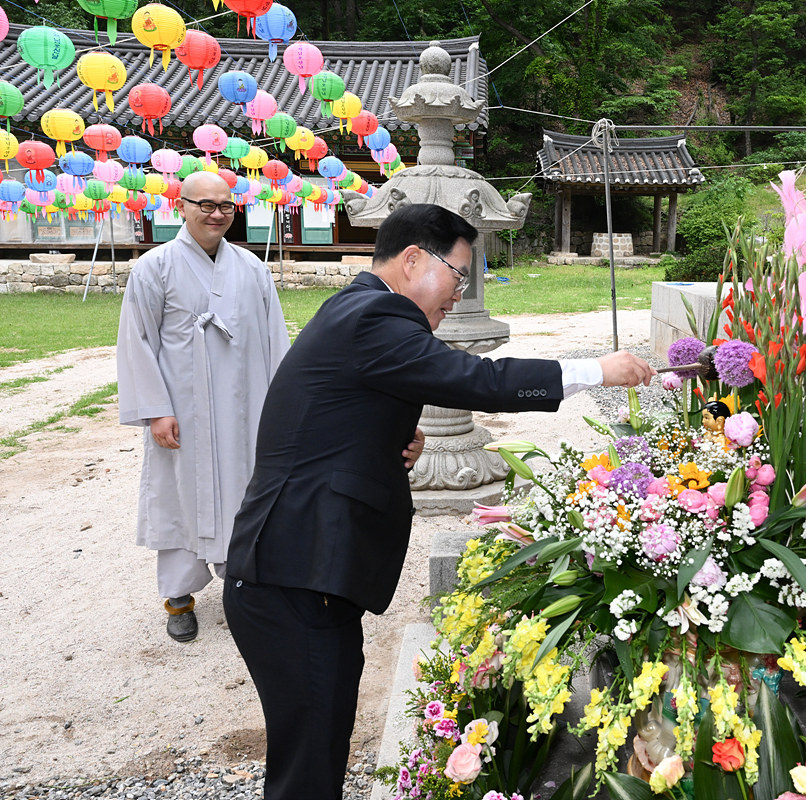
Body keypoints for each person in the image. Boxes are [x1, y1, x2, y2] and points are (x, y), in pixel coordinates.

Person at [223, 203, 655, 800]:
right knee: (306, 770)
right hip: (293, 576)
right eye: (458, 275)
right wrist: (592, 370)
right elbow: (478, 378)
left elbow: (327, 416)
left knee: (316, 751)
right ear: (411, 259)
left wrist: (387, 438)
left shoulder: (355, 310)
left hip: (302, 572)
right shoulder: (375, 314)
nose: (459, 294)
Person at [116, 171, 292, 644]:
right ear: (181, 206)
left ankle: (245, 584)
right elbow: (137, 342)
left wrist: (283, 402)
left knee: (247, 487)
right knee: (180, 493)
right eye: (205, 205)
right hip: (184, 409)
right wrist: (155, 409)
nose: (216, 214)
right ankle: (179, 598)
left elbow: (275, 337)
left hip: (245, 403)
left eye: (226, 206)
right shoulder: (154, 267)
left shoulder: (252, 268)